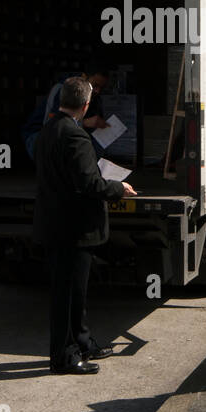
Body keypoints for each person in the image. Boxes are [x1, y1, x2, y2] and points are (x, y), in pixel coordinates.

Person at [34, 77, 136, 375]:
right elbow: (89, 183)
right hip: (72, 229)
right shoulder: (75, 137)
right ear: (86, 105)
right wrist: (119, 188)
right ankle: (64, 356)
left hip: (55, 224)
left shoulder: (49, 131)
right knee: (67, 294)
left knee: (74, 291)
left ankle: (82, 342)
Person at [23, 68, 110, 160]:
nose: (97, 90)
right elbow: (52, 125)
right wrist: (85, 123)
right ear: (84, 76)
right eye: (95, 85)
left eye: (101, 88)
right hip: (40, 136)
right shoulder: (62, 89)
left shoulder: (95, 96)